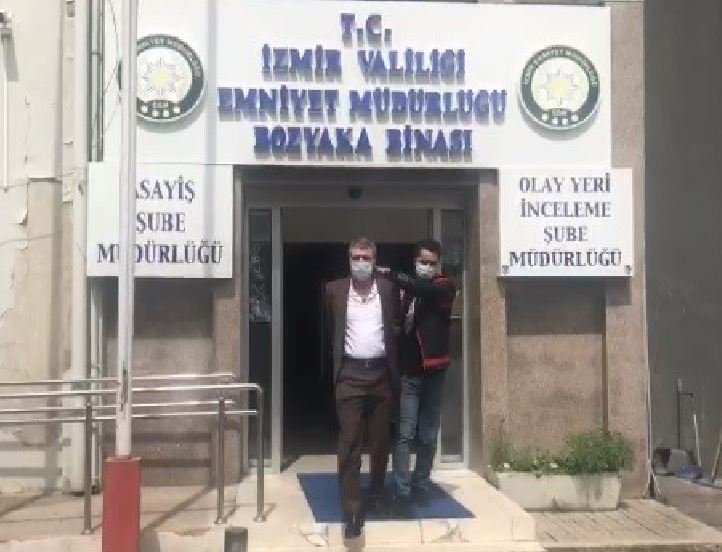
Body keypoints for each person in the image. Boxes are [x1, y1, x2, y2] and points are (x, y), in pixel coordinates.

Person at [325, 237, 400, 539]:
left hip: (381, 374)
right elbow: (332, 330)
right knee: (350, 443)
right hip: (350, 375)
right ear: (348, 260)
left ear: (374, 260)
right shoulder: (334, 290)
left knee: (380, 442)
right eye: (356, 257)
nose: (360, 263)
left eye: (366, 257)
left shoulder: (388, 289)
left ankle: (378, 493)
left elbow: (396, 328)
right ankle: (352, 510)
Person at [381, 239, 456, 518]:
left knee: (427, 434)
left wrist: (392, 274)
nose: (427, 266)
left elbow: (422, 288)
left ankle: (420, 485)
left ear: (438, 264)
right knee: (404, 433)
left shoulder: (444, 286)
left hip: (434, 372)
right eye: (422, 261)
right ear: (415, 261)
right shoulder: (408, 294)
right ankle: (402, 491)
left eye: (431, 263)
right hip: (409, 373)